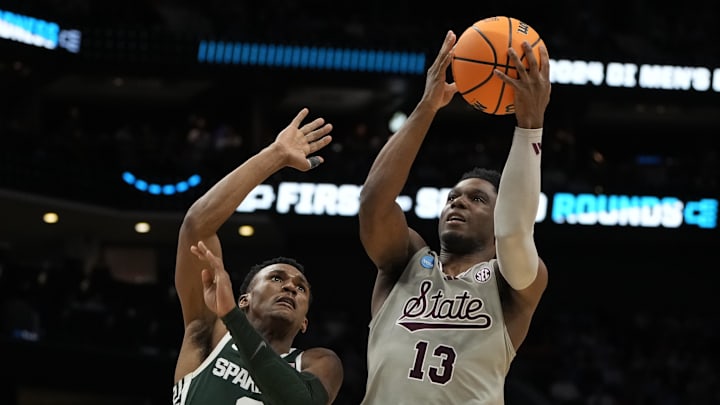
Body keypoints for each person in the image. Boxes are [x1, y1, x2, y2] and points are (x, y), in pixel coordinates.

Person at [358, 30, 551, 404]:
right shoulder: (406, 261)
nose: (457, 204)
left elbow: (513, 235)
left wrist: (530, 128)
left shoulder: (513, 283)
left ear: (500, 216)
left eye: (477, 199)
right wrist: (427, 107)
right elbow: (373, 203)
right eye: (452, 198)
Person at [172, 108, 344, 405]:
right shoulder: (208, 333)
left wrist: (232, 318)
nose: (290, 287)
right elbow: (196, 226)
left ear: (305, 322)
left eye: (301, 288)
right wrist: (275, 155)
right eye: (277, 278)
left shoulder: (318, 363)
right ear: (244, 300)